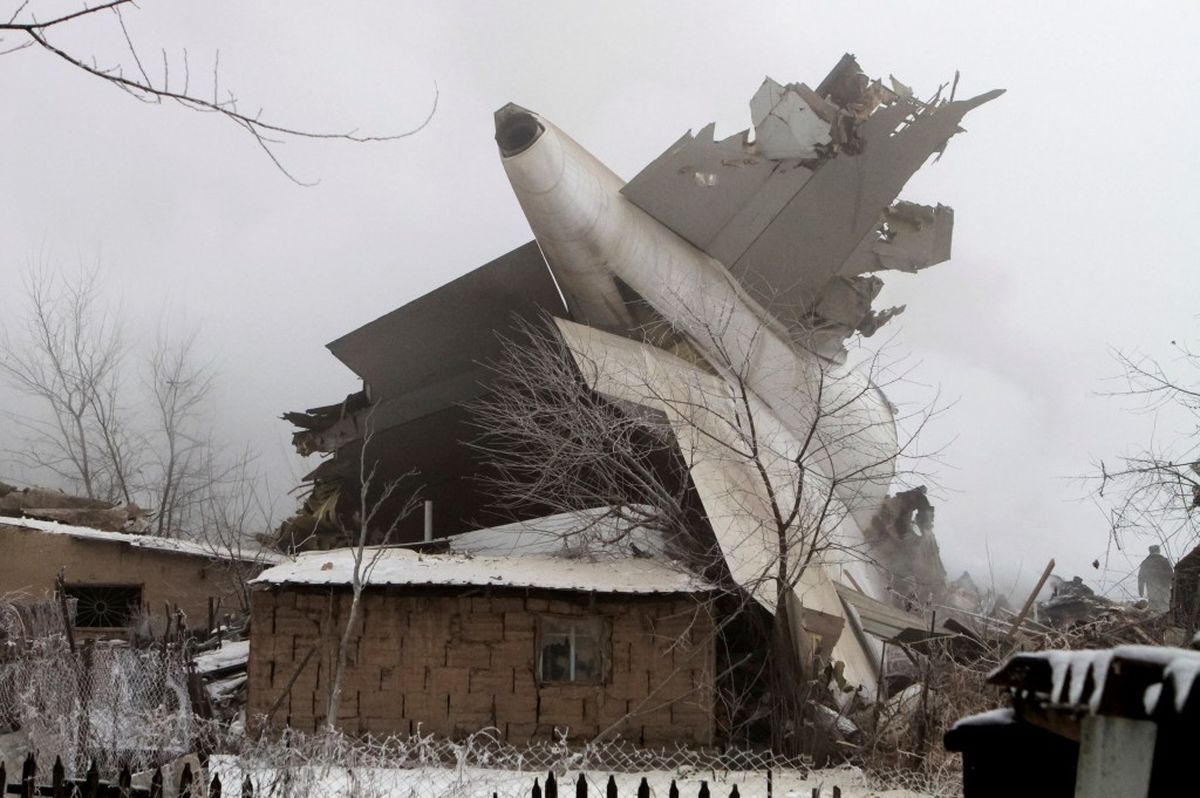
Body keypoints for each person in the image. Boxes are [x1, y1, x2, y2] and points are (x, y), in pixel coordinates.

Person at [1138, 545, 1174, 613]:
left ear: (1150, 551)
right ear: (1159, 550)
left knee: (1153, 608)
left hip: (1152, 589)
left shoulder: (1146, 562)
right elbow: (1171, 575)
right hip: (1165, 588)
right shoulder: (1164, 561)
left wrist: (1141, 591)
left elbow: (1141, 577)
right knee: (1165, 607)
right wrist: (1173, 586)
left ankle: (1155, 621)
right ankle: (1165, 621)